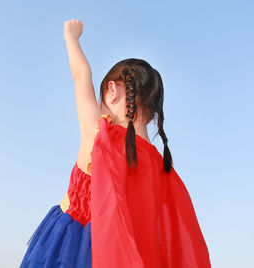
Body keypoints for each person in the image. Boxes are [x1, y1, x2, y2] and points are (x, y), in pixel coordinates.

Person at [20, 19, 211, 268]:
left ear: (112, 90)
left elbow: (80, 77)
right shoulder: (163, 165)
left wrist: (71, 37)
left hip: (69, 246)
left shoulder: (99, 135)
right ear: (153, 113)